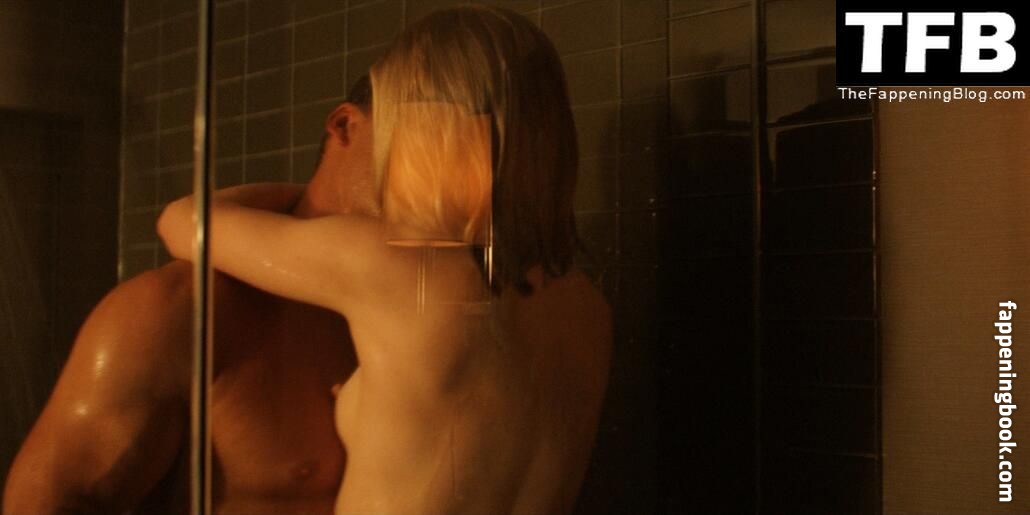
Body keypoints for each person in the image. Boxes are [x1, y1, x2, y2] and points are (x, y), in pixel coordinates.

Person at [158, 6, 612, 514]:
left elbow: (184, 221)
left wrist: (299, 198)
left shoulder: (394, 263)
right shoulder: (587, 309)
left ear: (427, 126)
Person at [2, 79, 377, 515]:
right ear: (346, 126)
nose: (436, 164)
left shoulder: (426, 311)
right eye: (422, 133)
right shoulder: (175, 309)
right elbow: (51, 503)